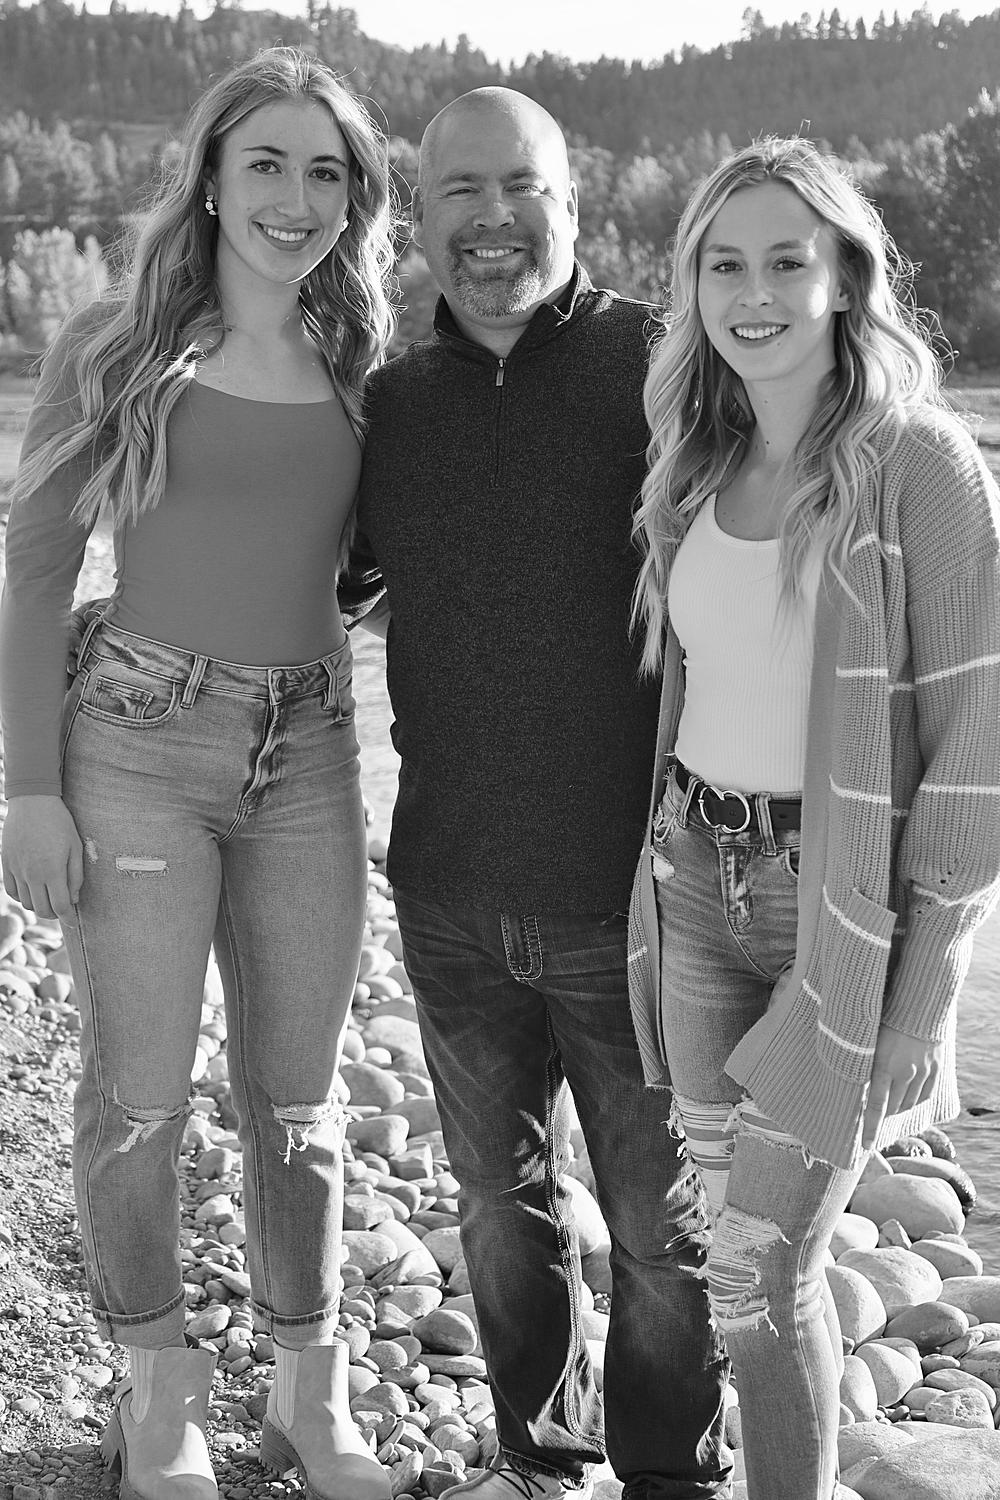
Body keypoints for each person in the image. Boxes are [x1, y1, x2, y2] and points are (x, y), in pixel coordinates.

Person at [0, 46, 396, 1500]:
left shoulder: (365, 361)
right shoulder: (111, 347)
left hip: (312, 754)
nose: (297, 197)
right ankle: (156, 1393)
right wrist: (26, 790)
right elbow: (36, 571)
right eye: (267, 164)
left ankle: (307, 1393)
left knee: (300, 1102)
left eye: (327, 171)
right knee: (141, 1097)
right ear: (212, 182)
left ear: (357, 198)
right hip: (136, 746)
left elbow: (376, 567)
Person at [338, 88, 731, 1500]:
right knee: (496, 1209)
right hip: (447, 886)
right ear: (419, 210)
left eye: (522, 187)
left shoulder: (668, 369)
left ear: (573, 199)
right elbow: (320, 586)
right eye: (460, 190)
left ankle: (671, 1478)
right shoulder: (390, 406)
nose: (492, 219)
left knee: (661, 1232)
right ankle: (537, 1457)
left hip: (633, 900)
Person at [627, 135, 1000, 1500]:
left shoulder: (920, 467)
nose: (754, 294)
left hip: (831, 910)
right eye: (723, 264)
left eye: (786, 261)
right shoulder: (696, 461)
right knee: (748, 1260)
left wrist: (924, 995)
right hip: (692, 884)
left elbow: (976, 751)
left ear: (846, 277)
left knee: (755, 1266)